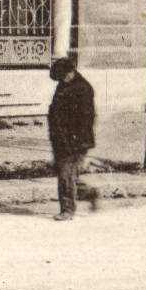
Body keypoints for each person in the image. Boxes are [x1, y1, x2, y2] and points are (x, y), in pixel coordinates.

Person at [47, 57, 98, 219]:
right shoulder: (64, 85)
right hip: (61, 139)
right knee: (67, 174)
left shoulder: (83, 89)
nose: (61, 80)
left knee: (65, 174)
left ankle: (67, 210)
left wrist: (77, 140)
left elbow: (86, 118)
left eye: (63, 76)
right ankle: (89, 193)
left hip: (75, 141)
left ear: (70, 72)